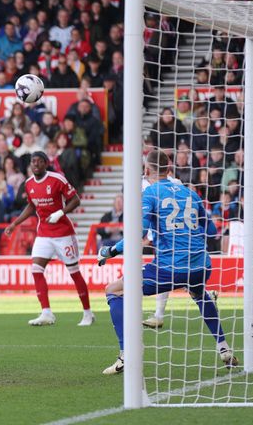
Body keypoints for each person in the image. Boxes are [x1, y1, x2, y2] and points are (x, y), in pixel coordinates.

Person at [97, 149, 237, 375]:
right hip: (201, 265)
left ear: (147, 170)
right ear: (170, 169)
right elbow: (211, 229)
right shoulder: (190, 193)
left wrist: (111, 250)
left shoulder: (150, 193)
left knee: (113, 290)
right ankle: (224, 348)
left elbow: (138, 233)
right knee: (199, 293)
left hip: (171, 266)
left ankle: (127, 353)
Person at [4, 152, 93, 327]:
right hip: (44, 234)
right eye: (33, 162)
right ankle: (46, 313)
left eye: (39, 162)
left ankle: (88, 313)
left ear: (46, 164)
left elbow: (75, 200)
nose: (35, 164)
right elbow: (32, 205)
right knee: (36, 269)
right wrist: (15, 223)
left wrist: (60, 212)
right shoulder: (28, 183)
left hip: (64, 234)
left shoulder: (57, 179)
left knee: (74, 273)